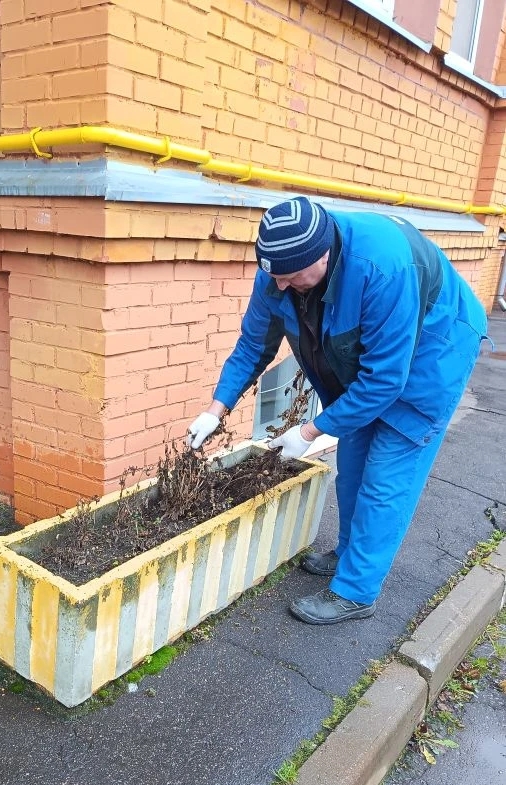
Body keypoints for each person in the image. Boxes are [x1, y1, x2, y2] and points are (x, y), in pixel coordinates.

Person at [187, 196, 488, 624]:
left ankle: (356, 592)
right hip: (368, 365)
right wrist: (215, 411)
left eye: (292, 277)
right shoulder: (279, 272)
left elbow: (386, 380)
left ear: (323, 255)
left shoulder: (382, 268)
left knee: (385, 478)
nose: (282, 287)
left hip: (432, 354)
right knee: (352, 465)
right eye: (276, 277)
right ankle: (348, 554)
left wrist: (309, 432)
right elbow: (253, 345)